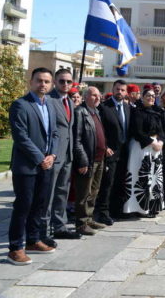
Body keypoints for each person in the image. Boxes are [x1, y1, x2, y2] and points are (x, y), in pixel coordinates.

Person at [7, 67, 59, 265]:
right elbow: (21, 136)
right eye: (39, 80)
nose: (42, 84)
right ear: (31, 82)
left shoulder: (50, 105)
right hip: (27, 166)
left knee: (39, 204)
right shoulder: (20, 105)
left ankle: (33, 240)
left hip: (46, 165)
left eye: (46, 81)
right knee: (23, 206)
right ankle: (15, 248)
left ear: (51, 84)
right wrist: (40, 158)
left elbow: (55, 133)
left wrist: (52, 155)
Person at [43, 69, 80, 242]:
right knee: (48, 194)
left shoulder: (69, 102)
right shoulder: (48, 100)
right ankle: (44, 230)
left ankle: (60, 226)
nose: (65, 84)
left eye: (68, 81)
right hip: (53, 155)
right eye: (62, 81)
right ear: (55, 82)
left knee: (62, 192)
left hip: (67, 155)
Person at [72, 87, 109, 236]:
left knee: (94, 191)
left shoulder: (96, 112)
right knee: (83, 192)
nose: (97, 98)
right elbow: (77, 139)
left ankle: (89, 218)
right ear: (85, 97)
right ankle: (81, 223)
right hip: (88, 160)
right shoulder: (80, 112)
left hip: (99, 158)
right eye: (93, 95)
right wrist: (82, 161)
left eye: (98, 95)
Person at [123, 88, 165, 217]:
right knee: (141, 178)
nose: (151, 98)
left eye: (153, 96)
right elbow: (137, 131)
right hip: (141, 148)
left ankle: (152, 207)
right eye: (148, 95)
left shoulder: (157, 112)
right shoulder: (137, 111)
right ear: (142, 97)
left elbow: (162, 131)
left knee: (154, 179)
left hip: (155, 149)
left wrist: (161, 142)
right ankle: (140, 209)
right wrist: (152, 143)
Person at [95, 80, 130, 225]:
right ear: (113, 89)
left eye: (122, 90)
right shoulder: (104, 107)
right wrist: (105, 146)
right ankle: (103, 212)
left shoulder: (127, 107)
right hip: (110, 152)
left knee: (120, 182)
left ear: (126, 92)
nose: (119, 92)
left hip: (124, 152)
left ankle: (116, 210)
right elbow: (99, 129)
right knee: (107, 183)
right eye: (117, 89)